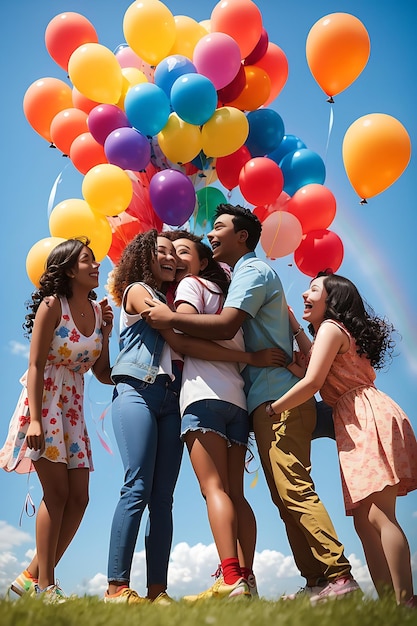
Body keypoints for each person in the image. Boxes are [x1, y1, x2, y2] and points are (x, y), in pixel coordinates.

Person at [142, 204, 360, 602]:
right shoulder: (245, 276)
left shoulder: (252, 272)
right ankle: (318, 582)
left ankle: (338, 574)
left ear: (242, 237)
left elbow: (226, 325)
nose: (210, 234)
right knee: (282, 493)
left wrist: (166, 316)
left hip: (277, 396)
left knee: (292, 487)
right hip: (261, 397)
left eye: (219, 227)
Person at [104, 229, 282, 605]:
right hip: (139, 389)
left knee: (163, 498)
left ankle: (158, 590)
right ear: (143, 257)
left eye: (176, 252)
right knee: (137, 485)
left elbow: (183, 336)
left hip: (173, 398)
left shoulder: (187, 294)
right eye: (162, 252)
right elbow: (173, 332)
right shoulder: (139, 290)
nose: (170, 258)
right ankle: (117, 587)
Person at [266, 271, 417, 607]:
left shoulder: (333, 330)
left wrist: (275, 408)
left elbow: (312, 381)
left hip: (366, 418)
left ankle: (406, 602)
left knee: (378, 515)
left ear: (331, 300)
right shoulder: (330, 333)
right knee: (365, 522)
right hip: (358, 419)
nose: (306, 294)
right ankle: (388, 605)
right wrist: (293, 325)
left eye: (314, 289)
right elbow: (311, 366)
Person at [0, 238, 113, 602]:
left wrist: (106, 334)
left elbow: (101, 372)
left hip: (74, 408)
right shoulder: (53, 305)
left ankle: (31, 576)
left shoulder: (98, 311)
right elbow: (34, 365)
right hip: (45, 403)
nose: (96, 266)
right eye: (86, 261)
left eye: (95, 260)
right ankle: (47, 586)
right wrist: (34, 419)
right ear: (67, 270)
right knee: (58, 493)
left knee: (79, 497)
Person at [171, 231, 258, 600]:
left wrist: (166, 315)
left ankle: (230, 577)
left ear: (202, 262)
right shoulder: (230, 296)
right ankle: (247, 579)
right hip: (236, 401)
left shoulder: (190, 286)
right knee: (236, 492)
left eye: (183, 252)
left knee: (214, 490)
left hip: (202, 397)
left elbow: (185, 327)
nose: (175, 258)